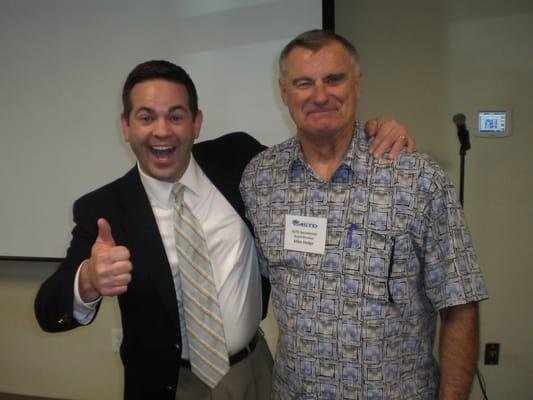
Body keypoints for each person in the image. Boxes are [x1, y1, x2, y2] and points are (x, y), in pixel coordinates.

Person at [34, 60, 413, 400]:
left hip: (254, 373)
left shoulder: (238, 160)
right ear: (126, 127)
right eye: (146, 118)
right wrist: (87, 281)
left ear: (196, 123)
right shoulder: (104, 209)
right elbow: (48, 311)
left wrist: (371, 130)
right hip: (169, 384)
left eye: (176, 116)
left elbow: (312, 156)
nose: (162, 131)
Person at [240, 30, 488, 400]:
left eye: (334, 79)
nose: (320, 95)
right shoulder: (260, 179)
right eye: (304, 83)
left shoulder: (418, 179)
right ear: (284, 92)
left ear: (357, 84)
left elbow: (459, 306)